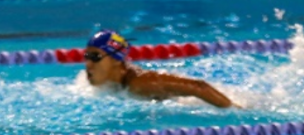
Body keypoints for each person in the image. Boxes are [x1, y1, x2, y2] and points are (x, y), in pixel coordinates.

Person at [83, 30, 234, 108]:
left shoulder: (140, 84)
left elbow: (199, 87)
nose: (88, 64)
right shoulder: (104, 81)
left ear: (116, 60)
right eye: (87, 55)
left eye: (95, 57)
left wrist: (233, 110)